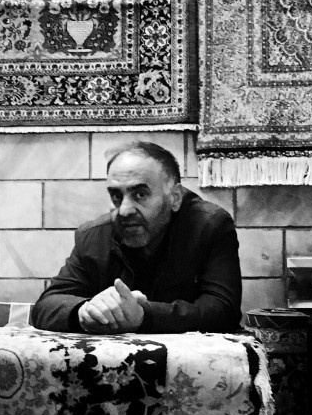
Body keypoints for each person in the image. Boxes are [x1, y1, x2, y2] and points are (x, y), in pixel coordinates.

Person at [30, 142, 242, 334]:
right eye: (116, 196)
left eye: (140, 194)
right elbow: (45, 306)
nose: (124, 210)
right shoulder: (93, 236)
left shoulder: (210, 225)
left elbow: (224, 311)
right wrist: (84, 311)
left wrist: (143, 315)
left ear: (175, 198)